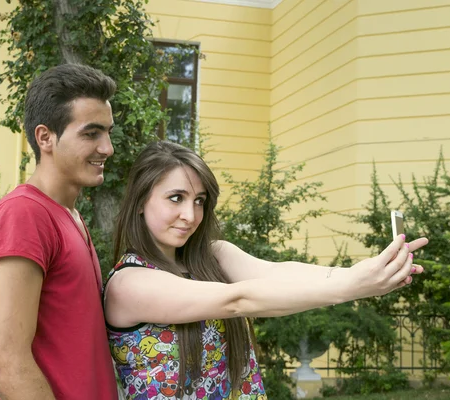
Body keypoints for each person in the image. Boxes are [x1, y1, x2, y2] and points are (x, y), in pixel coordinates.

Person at [103, 141, 428, 399]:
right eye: (176, 198)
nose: (190, 214)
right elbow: (237, 300)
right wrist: (353, 287)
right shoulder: (130, 283)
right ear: (141, 201)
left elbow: (276, 272)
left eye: (199, 201)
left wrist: (360, 272)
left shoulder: (212, 257)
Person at [0, 64, 119, 400]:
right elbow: (5, 364)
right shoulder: (24, 215)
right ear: (45, 138)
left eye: (108, 132)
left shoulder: (70, 216)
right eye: (91, 133)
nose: (107, 148)